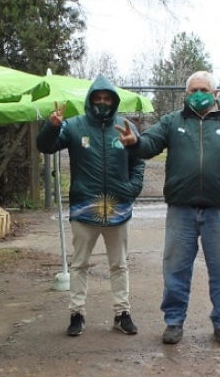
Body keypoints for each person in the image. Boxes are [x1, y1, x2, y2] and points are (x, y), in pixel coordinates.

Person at [117, 70, 220, 346]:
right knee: (175, 269)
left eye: (204, 90)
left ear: (216, 94)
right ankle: (174, 321)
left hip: (218, 210)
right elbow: (150, 144)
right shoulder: (173, 121)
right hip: (181, 209)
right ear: (186, 94)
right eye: (194, 90)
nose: (199, 95)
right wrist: (136, 142)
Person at [36, 75, 146, 337]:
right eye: (98, 98)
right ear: (90, 100)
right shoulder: (74, 126)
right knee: (79, 264)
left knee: (119, 264)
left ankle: (122, 313)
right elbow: (45, 146)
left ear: (114, 101)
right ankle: (77, 314)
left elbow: (138, 159)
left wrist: (132, 189)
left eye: (107, 98)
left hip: (118, 210)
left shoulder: (125, 127)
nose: (102, 103)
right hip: (84, 209)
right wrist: (51, 127)